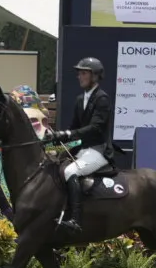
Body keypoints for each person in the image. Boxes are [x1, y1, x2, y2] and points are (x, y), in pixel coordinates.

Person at [47, 56, 113, 234]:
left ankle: (76, 219)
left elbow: (95, 128)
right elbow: (74, 128)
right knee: (54, 163)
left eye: (84, 73)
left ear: (95, 76)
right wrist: (56, 138)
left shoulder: (102, 99)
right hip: (82, 150)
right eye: (80, 73)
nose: (79, 76)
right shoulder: (79, 99)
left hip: (98, 150)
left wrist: (69, 134)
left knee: (70, 171)